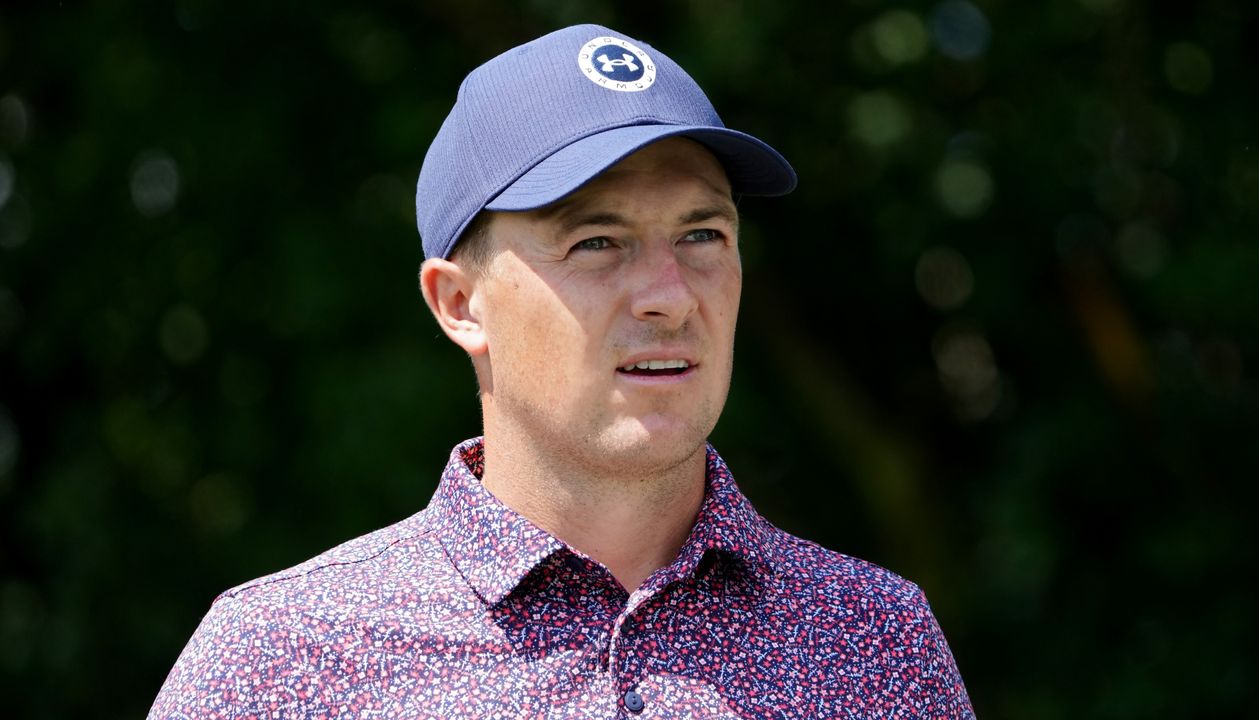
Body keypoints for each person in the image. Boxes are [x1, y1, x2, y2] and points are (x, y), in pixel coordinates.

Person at [150, 24, 975, 719]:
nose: (669, 295)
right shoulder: (286, 663)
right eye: (597, 242)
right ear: (459, 303)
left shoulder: (875, 642)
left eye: (702, 237)